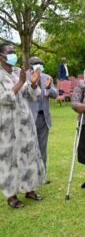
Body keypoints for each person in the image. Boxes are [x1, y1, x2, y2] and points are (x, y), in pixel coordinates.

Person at [0, 43, 46, 208]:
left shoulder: (18, 72)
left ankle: (29, 189)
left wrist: (33, 84)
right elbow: (3, 99)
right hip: (7, 125)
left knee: (28, 154)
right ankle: (11, 196)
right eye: (9, 52)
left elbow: (31, 95)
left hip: (25, 122)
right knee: (10, 159)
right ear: (1, 56)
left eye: (14, 51)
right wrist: (20, 83)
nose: (13, 54)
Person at [27, 56, 58, 184]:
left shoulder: (47, 77)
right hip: (28, 118)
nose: (38, 65)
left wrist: (48, 88)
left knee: (42, 148)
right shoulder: (24, 77)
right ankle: (30, 177)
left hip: (43, 117)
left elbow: (55, 94)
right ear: (30, 66)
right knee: (29, 148)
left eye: (40, 63)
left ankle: (42, 176)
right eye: (35, 63)